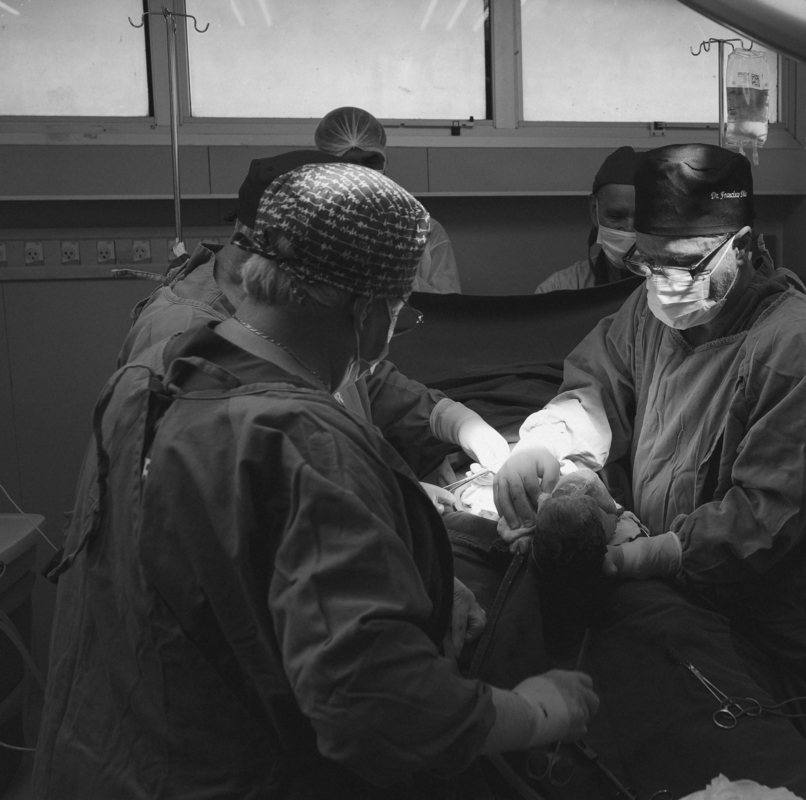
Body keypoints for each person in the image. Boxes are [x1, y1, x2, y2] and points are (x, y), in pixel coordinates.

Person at [33, 163, 598, 799]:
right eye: (399, 314)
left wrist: (393, 556)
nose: (391, 333)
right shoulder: (306, 445)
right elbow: (383, 712)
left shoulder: (152, 378)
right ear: (367, 310)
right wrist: (536, 710)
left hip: (97, 760)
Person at [495, 143, 806, 799]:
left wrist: (656, 553)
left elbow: (763, 517)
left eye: (685, 264)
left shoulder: (798, 348)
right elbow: (594, 389)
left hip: (793, 636)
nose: (665, 282)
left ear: (744, 245)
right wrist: (549, 444)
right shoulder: (648, 314)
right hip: (691, 615)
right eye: (649, 262)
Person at [118, 148, 509, 484]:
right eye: (393, 314)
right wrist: (395, 501)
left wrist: (451, 419)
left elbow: (360, 382)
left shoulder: (278, 332)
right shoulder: (184, 338)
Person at [316, 105, 462, 294]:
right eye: (349, 164)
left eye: (371, 162)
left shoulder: (425, 231)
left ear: (385, 162)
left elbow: (448, 306)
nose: (363, 173)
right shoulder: (308, 229)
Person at [534, 146, 643, 294]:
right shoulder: (559, 289)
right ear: (594, 210)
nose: (629, 228)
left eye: (642, 217)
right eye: (615, 216)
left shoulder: (674, 290)